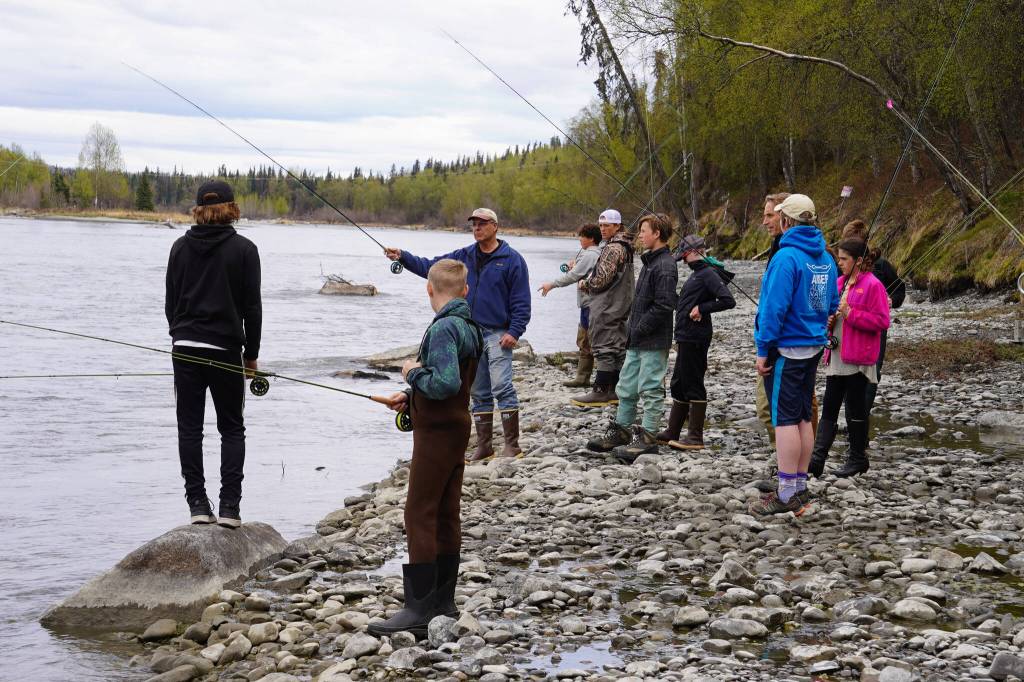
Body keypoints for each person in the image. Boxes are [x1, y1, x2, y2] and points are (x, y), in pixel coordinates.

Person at [370, 260, 483, 637]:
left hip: (436, 433)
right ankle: (443, 602)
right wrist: (409, 396)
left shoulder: (444, 328)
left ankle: (417, 609)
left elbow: (446, 382)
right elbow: (452, 383)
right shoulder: (470, 325)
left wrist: (410, 373)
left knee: (419, 512)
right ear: (465, 291)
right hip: (455, 428)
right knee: (446, 512)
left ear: (429, 289)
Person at [385, 208, 531, 461]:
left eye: (482, 224)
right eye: (474, 224)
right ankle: (484, 446)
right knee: (479, 392)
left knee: (502, 386)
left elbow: (521, 300)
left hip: (499, 334)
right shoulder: (463, 256)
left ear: (495, 226)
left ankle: (512, 446)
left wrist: (515, 331)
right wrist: (403, 257)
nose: (477, 228)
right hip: (471, 334)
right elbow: (433, 268)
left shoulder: (512, 260)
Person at [165, 180, 261, 528]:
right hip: (225, 351)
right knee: (232, 428)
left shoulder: (178, 247)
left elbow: (170, 304)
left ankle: (197, 505)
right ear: (232, 209)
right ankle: (230, 509)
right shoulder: (245, 250)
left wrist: (180, 336)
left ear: (197, 211)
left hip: (185, 349)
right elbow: (253, 309)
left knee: (189, 428)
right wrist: (251, 357)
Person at [749, 194, 838, 516]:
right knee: (801, 416)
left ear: (786, 221)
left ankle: (787, 491)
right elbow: (831, 301)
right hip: (813, 345)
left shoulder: (786, 257)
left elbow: (774, 307)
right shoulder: (826, 256)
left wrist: (763, 349)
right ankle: (798, 485)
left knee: (785, 419)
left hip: (786, 347)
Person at [586, 214, 677, 461]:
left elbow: (665, 305)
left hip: (653, 339)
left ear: (657, 234)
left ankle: (648, 438)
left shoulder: (665, 265)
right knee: (626, 386)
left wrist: (639, 329)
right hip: (636, 338)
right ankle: (622, 430)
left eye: (644, 231)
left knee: (650, 387)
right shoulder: (650, 262)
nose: (640, 235)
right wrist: (633, 331)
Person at [808, 239, 890, 478]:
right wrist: (829, 321)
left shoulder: (873, 285)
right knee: (830, 405)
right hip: (836, 354)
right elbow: (825, 313)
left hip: (858, 359)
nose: (840, 263)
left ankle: (857, 458)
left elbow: (882, 322)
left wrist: (851, 314)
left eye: (844, 259)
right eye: (839, 259)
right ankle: (817, 459)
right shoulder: (839, 283)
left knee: (855, 407)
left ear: (859, 261)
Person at [657, 234, 735, 449]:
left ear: (692, 252)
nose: (682, 260)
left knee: (693, 382)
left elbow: (728, 300)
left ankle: (695, 437)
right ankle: (673, 430)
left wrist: (702, 308)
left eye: (683, 255)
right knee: (679, 382)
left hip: (696, 337)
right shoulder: (698, 273)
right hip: (686, 336)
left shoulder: (706, 273)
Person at [571, 209, 637, 407]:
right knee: (617, 347)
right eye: (601, 225)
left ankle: (600, 391)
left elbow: (601, 280)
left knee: (604, 347)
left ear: (617, 226)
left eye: (607, 225)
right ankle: (615, 391)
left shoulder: (613, 248)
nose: (603, 229)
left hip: (607, 305)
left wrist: (585, 283)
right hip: (621, 304)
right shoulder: (626, 246)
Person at [839, 219, 906, 414]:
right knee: (845, 372)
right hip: (846, 327)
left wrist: (892, 301)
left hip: (874, 329)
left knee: (872, 372)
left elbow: (900, 289)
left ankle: (862, 415)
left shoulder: (882, 265)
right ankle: (852, 413)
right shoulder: (840, 268)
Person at [538, 223, 602, 387]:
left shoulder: (590, 254)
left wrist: (551, 284)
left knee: (588, 339)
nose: (580, 238)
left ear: (591, 238)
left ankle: (585, 378)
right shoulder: (589, 253)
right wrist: (573, 265)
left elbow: (573, 276)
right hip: (588, 303)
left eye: (582, 236)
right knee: (585, 338)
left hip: (590, 304)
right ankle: (584, 377)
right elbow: (577, 272)